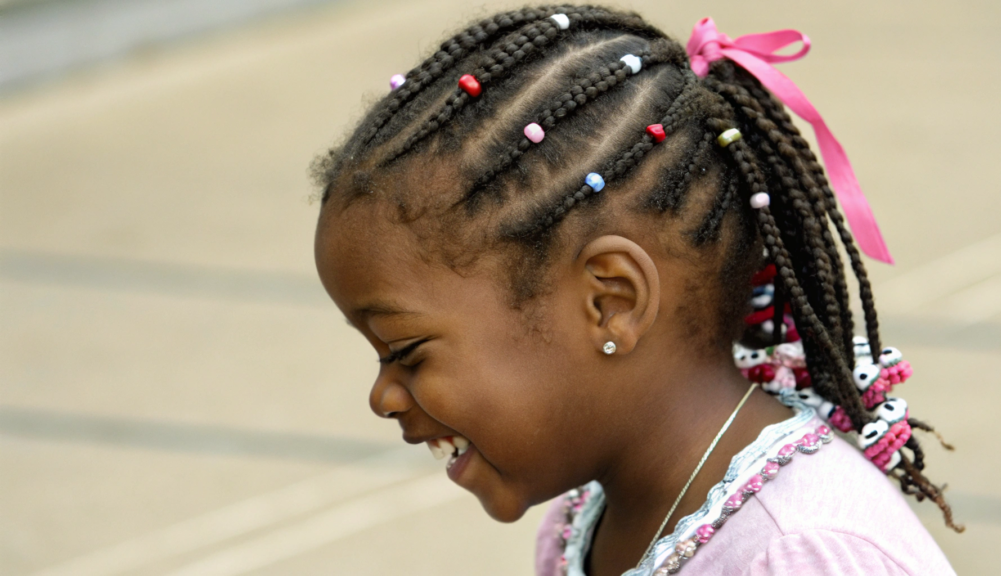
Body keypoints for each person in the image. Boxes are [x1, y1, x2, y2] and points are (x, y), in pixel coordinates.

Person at [311, 6, 959, 574]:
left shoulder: (800, 552)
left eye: (406, 350)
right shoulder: (578, 525)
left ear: (611, 302)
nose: (382, 397)